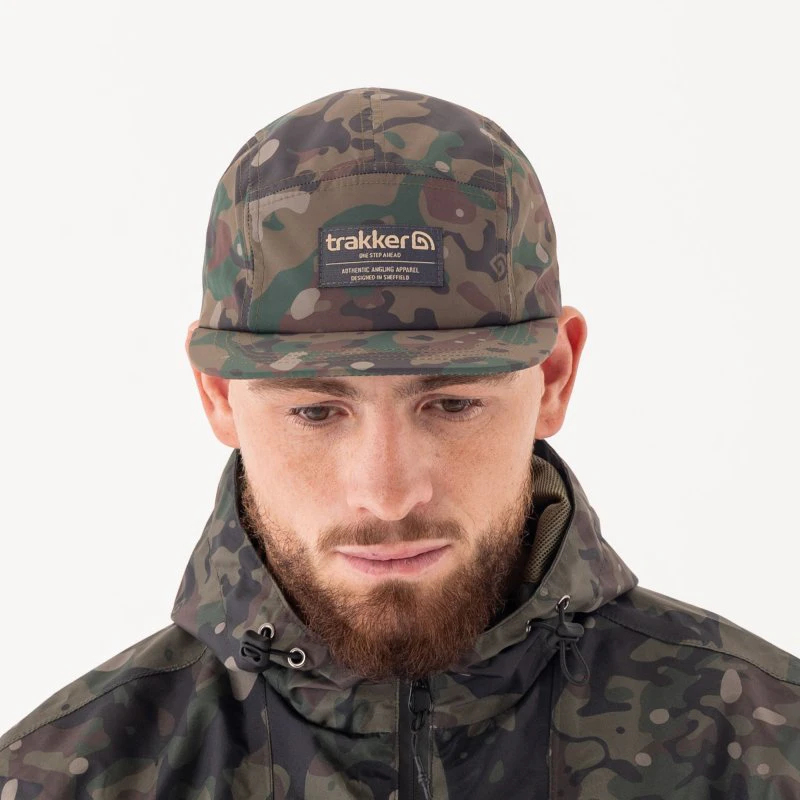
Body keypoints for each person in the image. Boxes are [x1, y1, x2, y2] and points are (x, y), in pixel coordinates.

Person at [1, 86, 798, 800]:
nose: (387, 495)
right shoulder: (65, 777)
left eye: (451, 404)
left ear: (553, 377)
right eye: (317, 412)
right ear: (218, 396)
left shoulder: (766, 749)